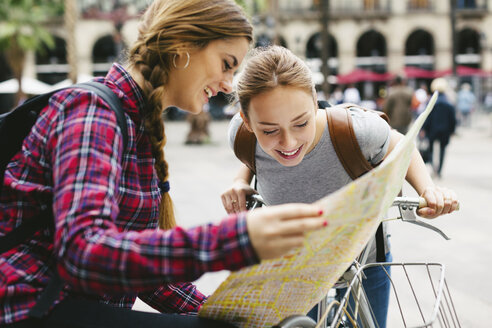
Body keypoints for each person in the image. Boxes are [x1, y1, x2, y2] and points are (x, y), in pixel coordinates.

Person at [0, 2, 327, 328]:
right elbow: (84, 253)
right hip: (31, 307)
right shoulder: (92, 111)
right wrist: (236, 238)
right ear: (183, 46)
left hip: (74, 308)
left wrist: (228, 310)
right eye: (227, 64)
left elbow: (145, 276)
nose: (229, 84)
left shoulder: (137, 125)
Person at [221, 46, 459, 328]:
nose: (288, 143)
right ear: (247, 121)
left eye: (301, 123)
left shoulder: (356, 131)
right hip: (294, 265)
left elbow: (399, 144)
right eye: (269, 130)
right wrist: (240, 181)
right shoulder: (240, 137)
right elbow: (255, 155)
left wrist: (427, 189)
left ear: (315, 102)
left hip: (363, 261)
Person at [423, 78, 457, 178]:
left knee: (431, 150)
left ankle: (434, 168)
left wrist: (424, 128)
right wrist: (452, 130)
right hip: (445, 130)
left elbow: (426, 116)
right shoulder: (449, 103)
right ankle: (440, 170)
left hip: (432, 129)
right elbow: (452, 119)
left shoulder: (430, 102)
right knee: (442, 150)